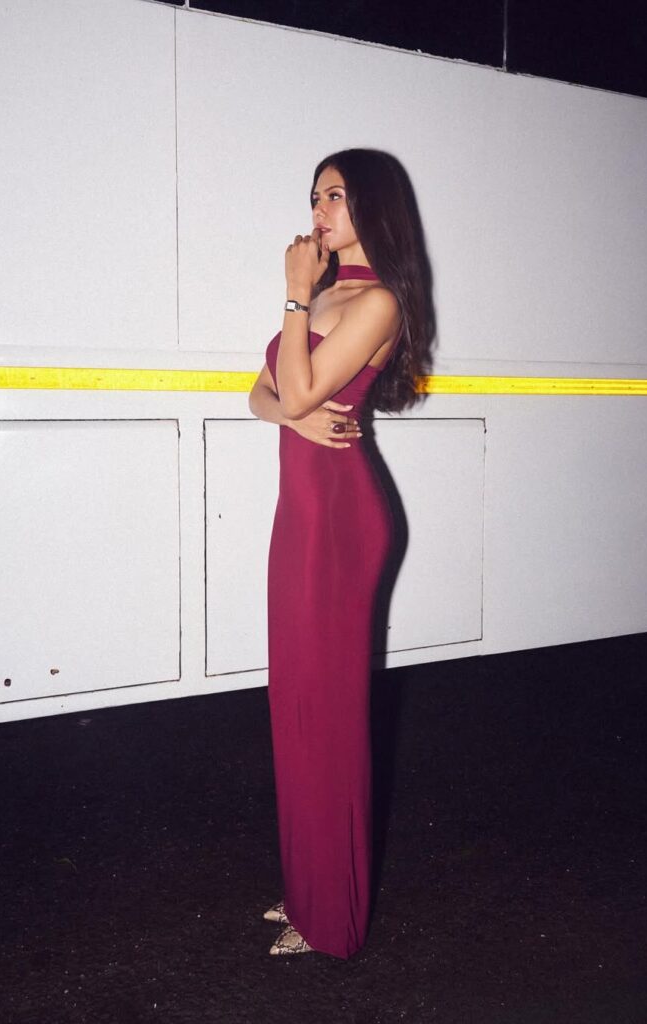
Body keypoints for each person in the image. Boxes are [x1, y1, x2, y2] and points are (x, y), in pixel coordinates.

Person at [248, 148, 429, 958]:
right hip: (300, 516)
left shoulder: (376, 300)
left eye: (335, 195)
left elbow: (291, 388)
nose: (318, 209)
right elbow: (260, 395)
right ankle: (307, 888)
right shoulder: (325, 295)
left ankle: (332, 919)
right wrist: (288, 409)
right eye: (314, 195)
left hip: (338, 521)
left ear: (372, 208)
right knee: (296, 705)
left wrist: (292, 295)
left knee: (327, 715)